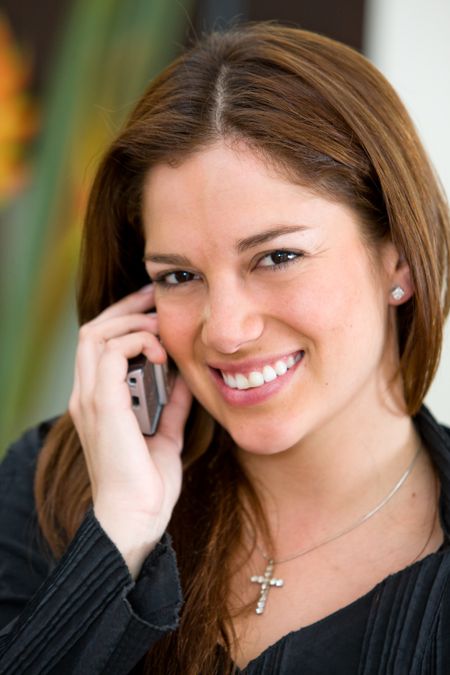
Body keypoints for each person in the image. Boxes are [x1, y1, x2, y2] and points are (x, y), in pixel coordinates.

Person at [0, 21, 449, 675]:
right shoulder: (49, 486)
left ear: (400, 258)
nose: (226, 330)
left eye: (277, 256)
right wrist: (116, 536)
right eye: (179, 276)